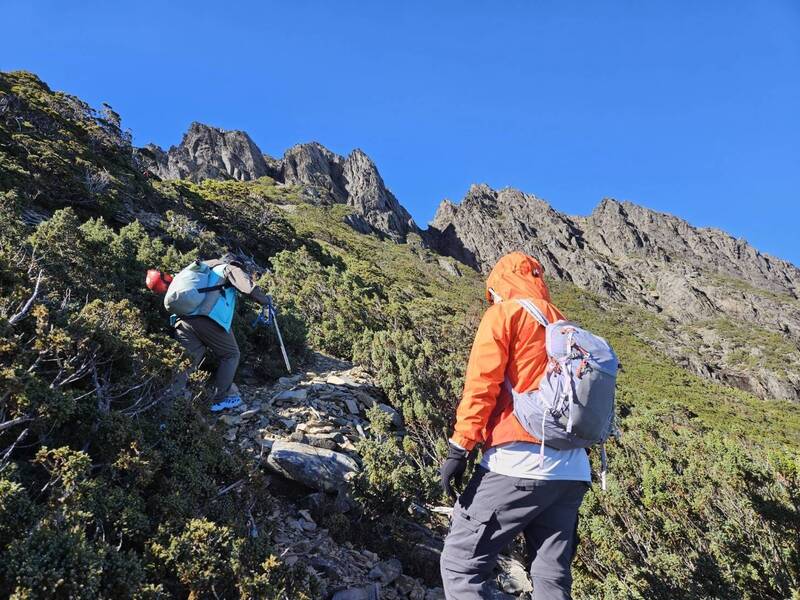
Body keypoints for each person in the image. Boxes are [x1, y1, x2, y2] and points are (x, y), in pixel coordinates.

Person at [440, 252, 590, 600]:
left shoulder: (504, 313)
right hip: (572, 471)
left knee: (461, 564)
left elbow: (483, 385)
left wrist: (460, 448)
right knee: (551, 578)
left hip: (518, 462)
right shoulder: (566, 327)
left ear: (497, 288)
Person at [172, 252, 271, 412]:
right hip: (208, 319)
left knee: (186, 363)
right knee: (231, 355)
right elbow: (248, 288)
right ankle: (218, 400)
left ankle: (169, 406)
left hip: (183, 319)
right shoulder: (229, 268)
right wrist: (266, 300)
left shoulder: (203, 270)